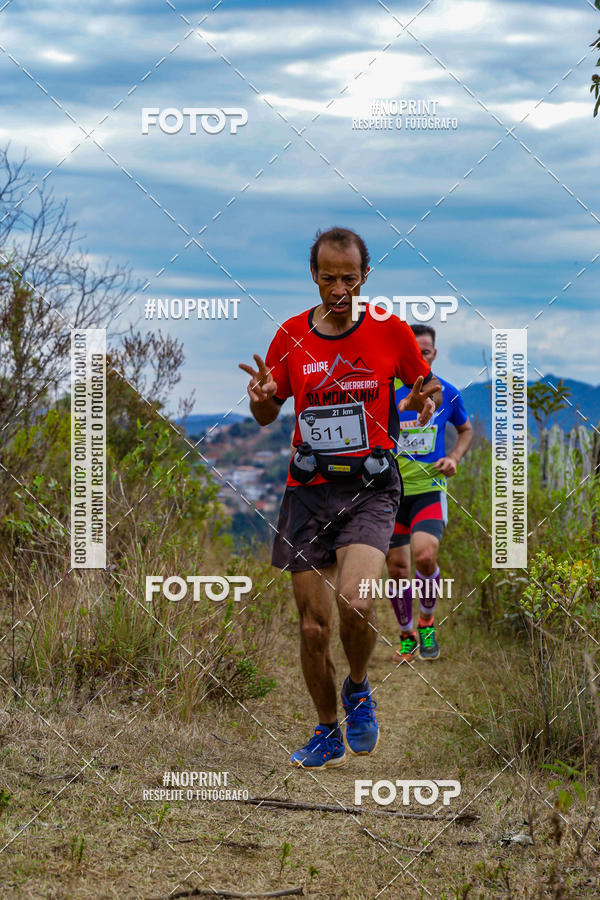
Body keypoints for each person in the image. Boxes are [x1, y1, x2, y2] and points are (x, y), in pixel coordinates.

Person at [239, 227, 442, 768]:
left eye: (348, 278)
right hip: (308, 490)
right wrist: (261, 398)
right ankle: (326, 730)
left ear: (365, 277)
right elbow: (268, 410)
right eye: (327, 278)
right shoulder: (290, 336)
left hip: (371, 487)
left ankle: (357, 685)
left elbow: (427, 388)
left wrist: (424, 401)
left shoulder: (389, 331)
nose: (337, 288)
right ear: (313, 275)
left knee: (356, 603)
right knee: (312, 626)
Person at [386, 324, 472, 663]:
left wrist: (453, 457)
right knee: (396, 569)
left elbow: (464, 430)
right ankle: (407, 635)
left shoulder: (447, 392)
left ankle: (426, 620)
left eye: (426, 352)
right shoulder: (385, 390)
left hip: (429, 490)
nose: (421, 356)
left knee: (424, 557)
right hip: (390, 493)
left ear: (434, 354)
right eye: (414, 351)